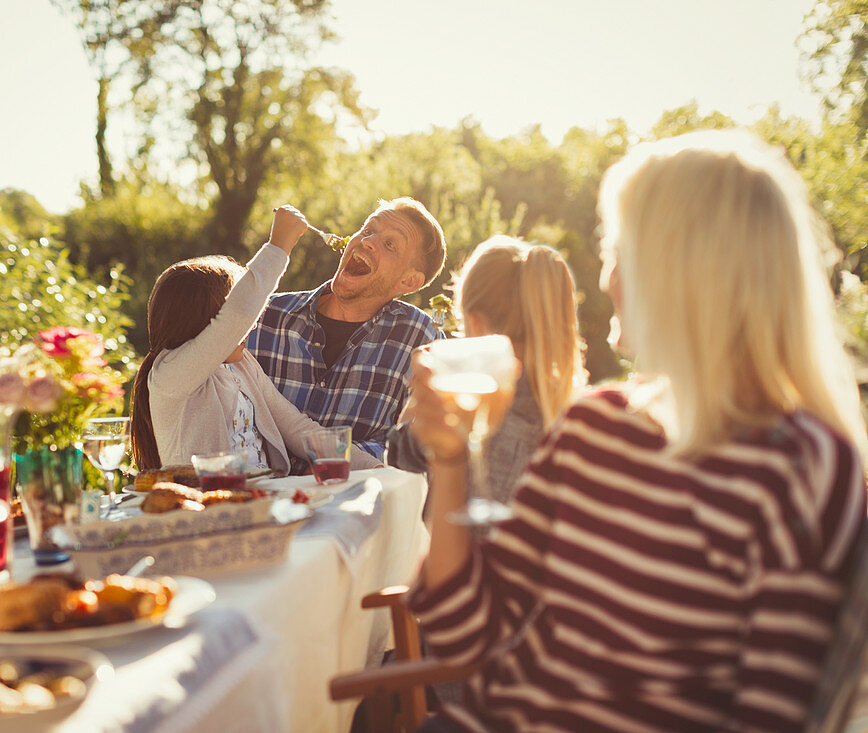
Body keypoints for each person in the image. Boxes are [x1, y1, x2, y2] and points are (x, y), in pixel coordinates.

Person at [402, 131, 868, 732]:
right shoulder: (595, 426)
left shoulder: (803, 472)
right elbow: (463, 630)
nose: (606, 278)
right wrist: (445, 462)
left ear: (687, 268)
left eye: (620, 249)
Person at [130, 205, 382, 474]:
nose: (250, 326)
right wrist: (278, 247)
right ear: (204, 320)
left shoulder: (243, 366)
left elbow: (299, 429)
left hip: (264, 497)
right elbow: (238, 314)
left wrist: (377, 469)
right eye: (239, 320)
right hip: (208, 506)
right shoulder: (171, 372)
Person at [246, 197, 448, 471]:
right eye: (368, 230)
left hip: (353, 508)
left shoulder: (421, 338)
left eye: (390, 244)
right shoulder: (264, 315)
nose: (368, 241)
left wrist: (322, 463)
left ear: (408, 281)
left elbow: (418, 441)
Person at [386, 237, 586, 506]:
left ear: (476, 325)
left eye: (461, 325)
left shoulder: (465, 412)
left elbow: (400, 458)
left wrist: (421, 395)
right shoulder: (573, 411)